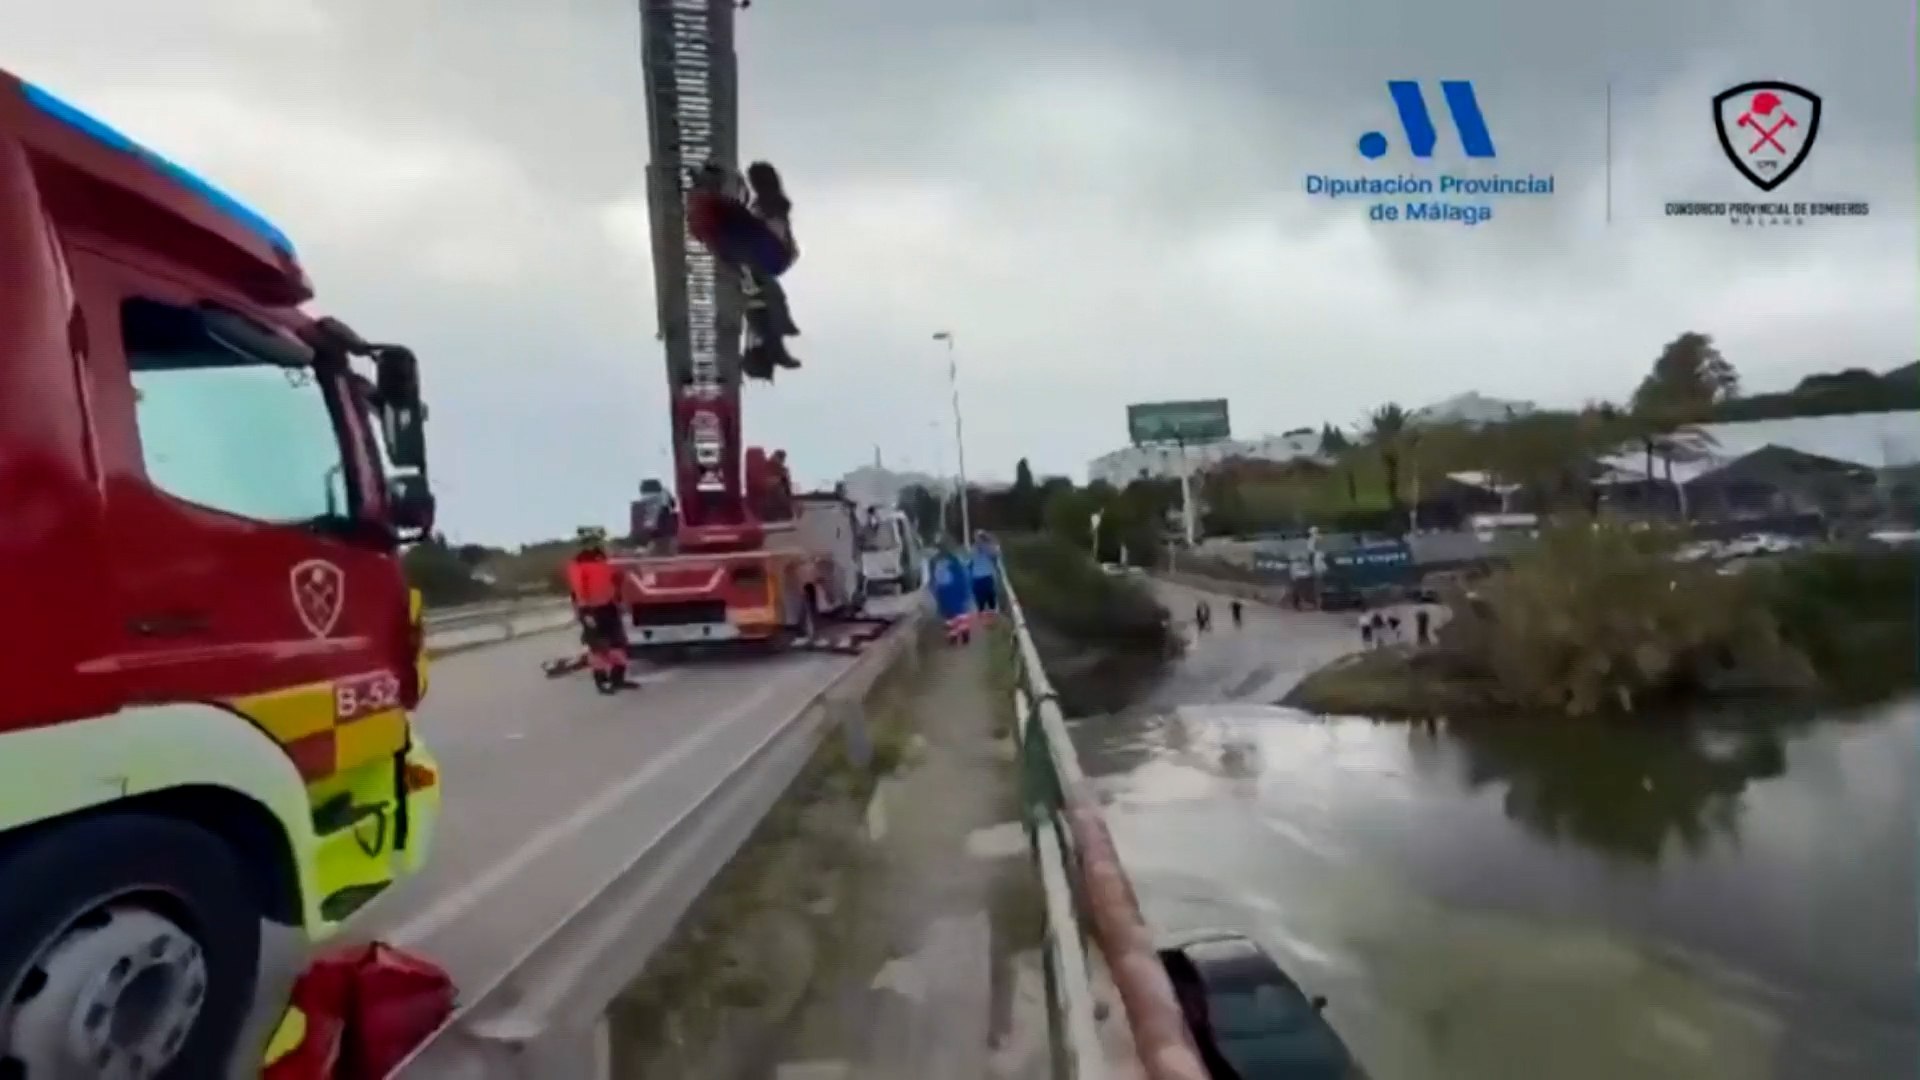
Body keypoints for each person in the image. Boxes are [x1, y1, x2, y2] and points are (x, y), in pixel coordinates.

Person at [686, 161, 802, 380]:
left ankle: (774, 342)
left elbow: (716, 228)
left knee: (760, 296)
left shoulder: (715, 206)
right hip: (749, 250)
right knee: (761, 295)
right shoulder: (716, 206)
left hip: (747, 250)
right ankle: (774, 343)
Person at [565, 527, 633, 693]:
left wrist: (620, 600)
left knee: (618, 643)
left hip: (609, 606)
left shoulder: (605, 560)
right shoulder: (578, 563)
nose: (594, 544)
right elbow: (578, 589)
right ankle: (601, 681)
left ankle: (618, 679)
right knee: (598, 647)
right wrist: (585, 612)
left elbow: (617, 579)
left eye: (596, 541)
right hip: (591, 609)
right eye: (589, 541)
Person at [929, 543, 974, 644]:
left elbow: (934, 580)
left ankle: (954, 636)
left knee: (951, 615)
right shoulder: (955, 561)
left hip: (946, 591)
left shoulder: (937, 562)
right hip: (953, 590)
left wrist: (934, 590)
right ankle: (962, 633)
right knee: (960, 613)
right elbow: (963, 576)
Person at [968, 531, 1000, 614]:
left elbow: (995, 555)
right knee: (980, 602)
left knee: (990, 600)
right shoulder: (973, 549)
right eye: (976, 538)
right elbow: (970, 561)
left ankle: (992, 613)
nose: (977, 541)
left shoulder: (989, 548)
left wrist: (986, 547)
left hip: (987, 577)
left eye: (979, 538)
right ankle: (981, 613)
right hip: (977, 578)